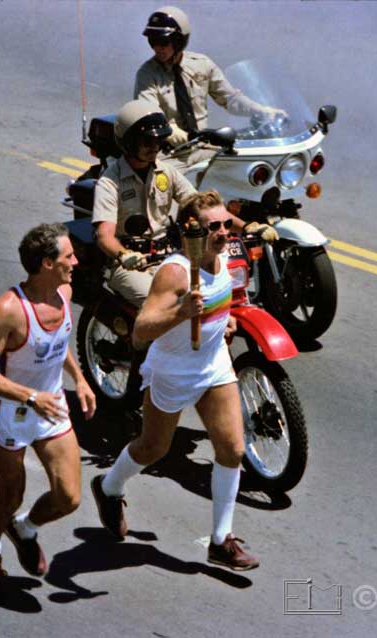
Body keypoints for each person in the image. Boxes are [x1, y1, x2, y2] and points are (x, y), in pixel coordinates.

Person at [90, 190, 260, 571]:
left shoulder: (223, 259)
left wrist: (224, 321)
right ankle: (109, 487)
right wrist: (181, 312)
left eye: (225, 224)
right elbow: (141, 330)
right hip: (174, 371)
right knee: (153, 448)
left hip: (214, 365)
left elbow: (221, 300)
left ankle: (221, 540)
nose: (222, 232)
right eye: (212, 227)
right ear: (190, 232)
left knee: (232, 449)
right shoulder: (176, 273)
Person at [0, 223, 97, 593]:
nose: (76, 261)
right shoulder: (9, 310)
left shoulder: (64, 292)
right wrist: (29, 396)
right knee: (10, 497)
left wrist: (80, 379)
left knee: (69, 497)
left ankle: (24, 529)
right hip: (14, 413)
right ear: (46, 263)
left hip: (51, 406)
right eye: (69, 256)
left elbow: (57, 342)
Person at [92, 100, 273, 310]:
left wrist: (248, 226)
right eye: (147, 141)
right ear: (129, 142)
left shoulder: (166, 172)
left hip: (167, 254)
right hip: (131, 265)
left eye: (158, 141)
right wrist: (124, 255)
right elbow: (104, 236)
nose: (155, 147)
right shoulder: (110, 182)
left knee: (208, 292)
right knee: (164, 305)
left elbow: (202, 206)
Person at [134, 6, 286, 170]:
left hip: (204, 148)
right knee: (165, 184)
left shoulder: (202, 65)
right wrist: (187, 137)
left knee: (249, 171)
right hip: (170, 155)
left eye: (163, 42)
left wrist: (264, 111)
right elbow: (153, 120)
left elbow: (231, 99)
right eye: (152, 41)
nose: (157, 47)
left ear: (179, 40)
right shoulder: (147, 74)